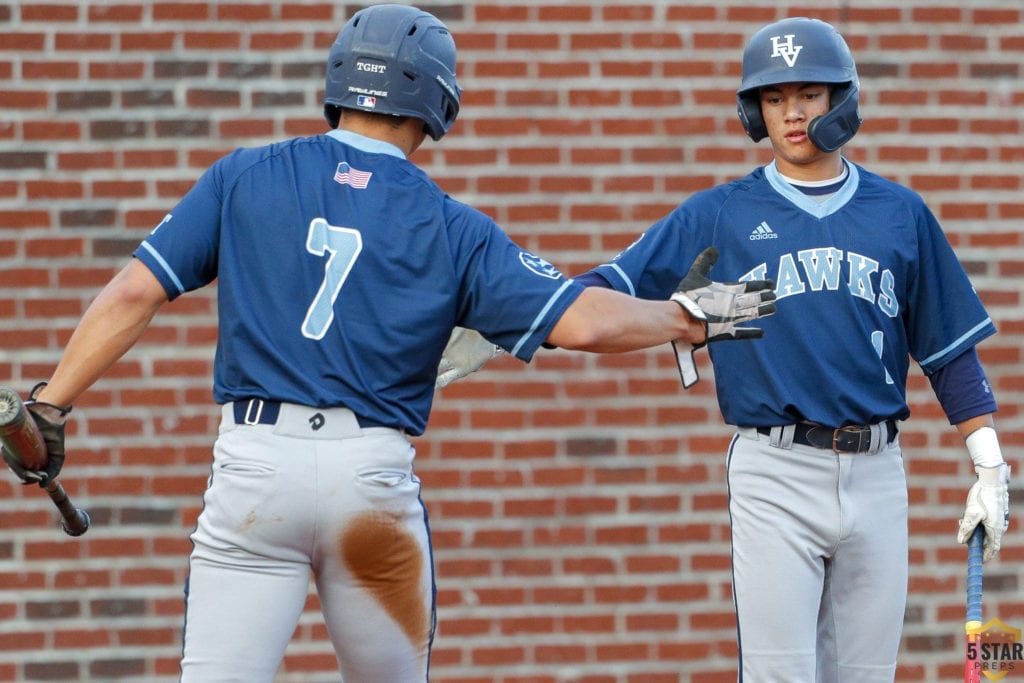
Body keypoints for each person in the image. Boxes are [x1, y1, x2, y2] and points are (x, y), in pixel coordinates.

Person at [0, 5, 776, 683]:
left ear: (340, 81)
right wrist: (688, 318)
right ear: (435, 103)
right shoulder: (451, 223)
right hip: (368, 479)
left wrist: (52, 403)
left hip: (253, 471)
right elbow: (585, 322)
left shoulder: (244, 175)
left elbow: (135, 292)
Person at [439, 16, 1010, 682]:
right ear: (754, 110)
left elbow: (947, 349)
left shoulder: (899, 213)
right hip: (775, 468)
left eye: (808, 94)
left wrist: (989, 463)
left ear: (841, 100)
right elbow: (615, 282)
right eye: (774, 98)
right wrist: (513, 320)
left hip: (879, 469)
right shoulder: (722, 213)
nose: (792, 113)